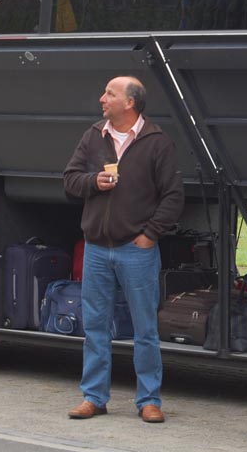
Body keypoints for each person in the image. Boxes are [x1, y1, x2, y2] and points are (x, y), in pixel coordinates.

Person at [63, 76, 184, 423]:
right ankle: (94, 397)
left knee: (145, 329)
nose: (102, 99)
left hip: (137, 250)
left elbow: (173, 196)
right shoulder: (93, 136)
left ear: (130, 103)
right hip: (97, 249)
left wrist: (150, 235)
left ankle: (149, 400)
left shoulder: (157, 142)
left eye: (110, 94)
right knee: (95, 327)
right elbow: (70, 180)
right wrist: (93, 181)